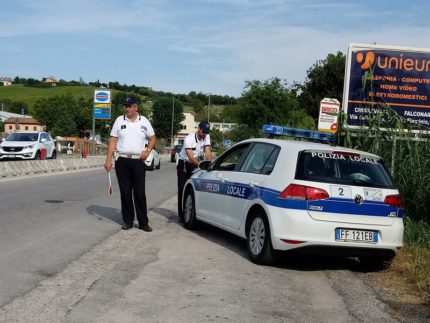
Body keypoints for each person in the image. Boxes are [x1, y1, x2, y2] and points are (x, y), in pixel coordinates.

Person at [104, 97, 157, 232]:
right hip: (122, 160)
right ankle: (128, 221)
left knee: (139, 192)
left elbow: (153, 138)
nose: (126, 108)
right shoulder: (119, 120)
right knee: (125, 192)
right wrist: (108, 160)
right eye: (125, 106)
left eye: (129, 106)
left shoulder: (144, 121)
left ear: (136, 107)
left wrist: (148, 150)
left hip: (138, 161)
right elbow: (113, 141)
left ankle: (143, 222)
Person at [177, 121, 212, 219]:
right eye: (203, 132)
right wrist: (202, 166)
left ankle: (194, 212)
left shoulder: (206, 136)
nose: (205, 134)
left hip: (196, 163)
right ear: (199, 129)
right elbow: (190, 157)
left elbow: (208, 152)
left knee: (194, 188)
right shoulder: (189, 139)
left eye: (206, 132)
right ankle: (181, 214)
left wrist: (209, 165)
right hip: (184, 163)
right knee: (182, 189)